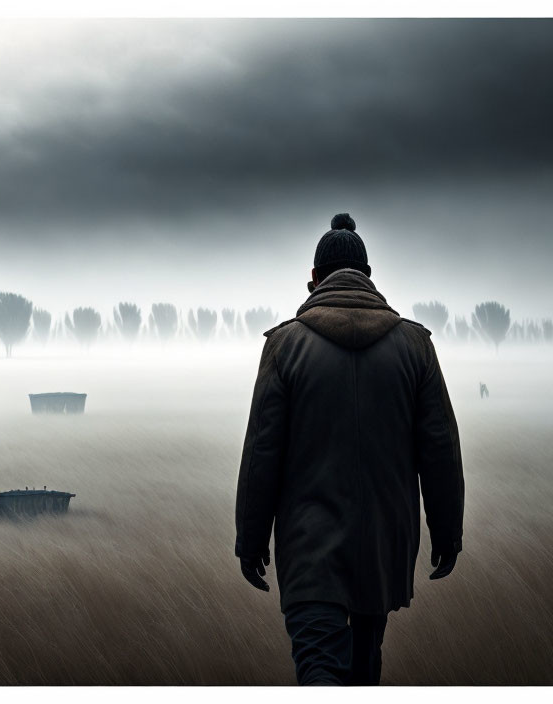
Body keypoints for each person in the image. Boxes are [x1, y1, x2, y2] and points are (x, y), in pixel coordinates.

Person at [235, 213, 464, 686]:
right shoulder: (415, 346)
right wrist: (447, 534)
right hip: (382, 554)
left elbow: (262, 453)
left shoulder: (285, 345)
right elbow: (440, 448)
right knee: (363, 675)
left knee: (320, 671)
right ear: (369, 278)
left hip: (309, 551)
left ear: (314, 280)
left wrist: (251, 541)